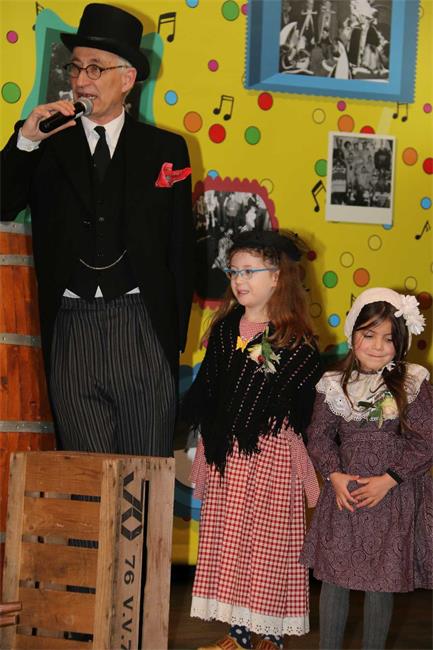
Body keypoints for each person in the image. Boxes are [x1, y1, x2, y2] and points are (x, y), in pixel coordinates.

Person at [0, 3, 194, 456]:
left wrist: (171, 338)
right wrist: (26, 139)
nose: (81, 80)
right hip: (71, 324)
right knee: (86, 476)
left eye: (95, 68)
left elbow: (181, 248)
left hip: (142, 322)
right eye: (75, 67)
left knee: (145, 474)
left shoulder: (165, 149)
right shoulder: (44, 142)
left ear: (127, 79)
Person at [181, 230, 322, 650]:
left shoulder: (295, 340)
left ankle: (273, 634)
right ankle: (238, 632)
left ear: (277, 277)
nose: (238, 280)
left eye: (249, 271)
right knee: (232, 542)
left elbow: (298, 405)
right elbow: (211, 391)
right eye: (234, 272)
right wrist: (202, 441)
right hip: (230, 457)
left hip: (273, 456)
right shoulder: (226, 330)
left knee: (270, 546)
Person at [300, 287, 433, 649]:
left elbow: (426, 440)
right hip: (345, 494)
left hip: (390, 496)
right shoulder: (334, 383)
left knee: (380, 582)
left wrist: (390, 479)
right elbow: (319, 436)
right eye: (369, 335)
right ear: (353, 334)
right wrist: (334, 475)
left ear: (401, 342)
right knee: (335, 578)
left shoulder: (413, 381)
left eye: (389, 338)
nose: (378, 346)